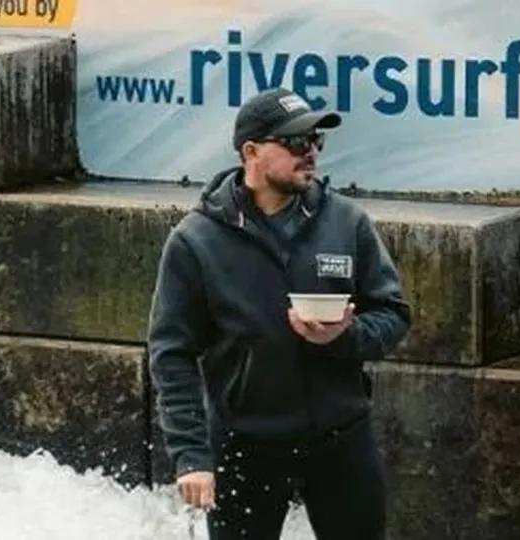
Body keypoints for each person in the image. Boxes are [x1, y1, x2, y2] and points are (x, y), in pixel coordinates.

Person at [148, 87, 411, 540]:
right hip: (244, 443)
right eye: (294, 143)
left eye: (315, 141)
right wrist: (192, 456)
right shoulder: (195, 241)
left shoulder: (347, 222)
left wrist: (345, 338)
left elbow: (393, 313)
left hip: (340, 438)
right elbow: (171, 353)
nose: (309, 152)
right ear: (251, 152)